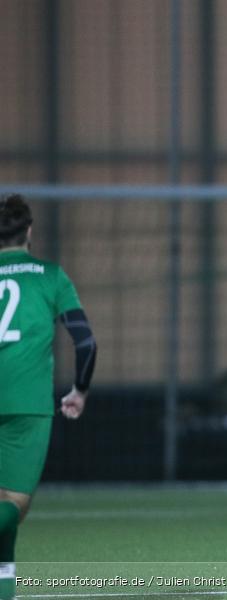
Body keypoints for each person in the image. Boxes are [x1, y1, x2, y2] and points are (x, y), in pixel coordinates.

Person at [0, 195, 97, 600]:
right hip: (26, 406)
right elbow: (86, 343)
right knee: (12, 509)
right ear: (30, 231)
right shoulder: (49, 276)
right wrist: (80, 390)